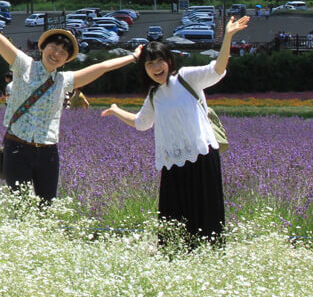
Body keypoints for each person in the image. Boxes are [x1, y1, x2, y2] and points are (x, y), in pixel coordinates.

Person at [0, 0, 138, 202]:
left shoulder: (64, 80)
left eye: (63, 52)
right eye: (53, 47)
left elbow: (103, 67)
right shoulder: (23, 65)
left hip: (48, 152)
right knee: (19, 206)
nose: (57, 53)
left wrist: (133, 57)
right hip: (17, 147)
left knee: (46, 205)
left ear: (67, 60)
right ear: (43, 47)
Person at [101, 15, 251, 247]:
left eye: (159, 61)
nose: (155, 67)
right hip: (172, 163)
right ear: (144, 69)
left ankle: (211, 256)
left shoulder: (186, 77)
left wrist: (228, 37)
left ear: (169, 61)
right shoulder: (154, 96)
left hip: (201, 156)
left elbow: (218, 69)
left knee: (206, 213)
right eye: (149, 64)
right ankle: (176, 256)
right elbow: (142, 122)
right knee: (174, 218)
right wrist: (117, 110)